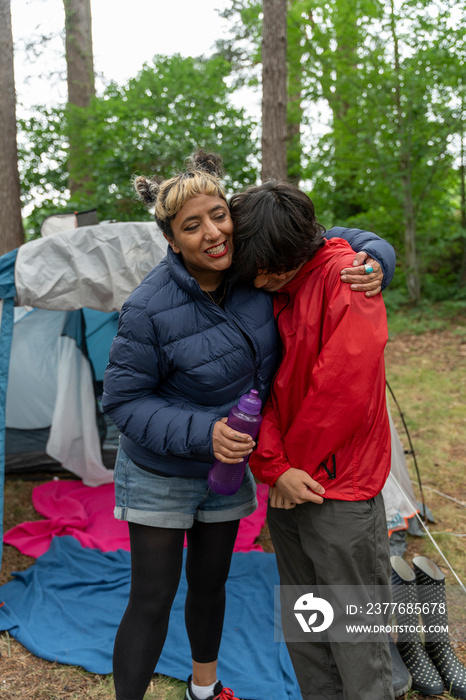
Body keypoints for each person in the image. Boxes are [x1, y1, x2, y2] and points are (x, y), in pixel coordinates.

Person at [102, 152, 395, 700]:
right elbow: (122, 400)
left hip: (247, 468)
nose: (213, 233)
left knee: (219, 586)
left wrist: (377, 256)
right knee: (155, 596)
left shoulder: (257, 269)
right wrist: (218, 439)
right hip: (169, 468)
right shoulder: (150, 306)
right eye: (192, 225)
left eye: (219, 215)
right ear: (170, 239)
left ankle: (205, 689)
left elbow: (326, 238)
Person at [229, 180, 394, 700]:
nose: (253, 281)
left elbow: (343, 390)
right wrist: (275, 468)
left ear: (282, 260)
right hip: (289, 481)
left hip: (338, 486)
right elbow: (265, 387)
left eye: (259, 271)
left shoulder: (346, 279)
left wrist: (286, 468)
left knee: (357, 634)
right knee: (306, 621)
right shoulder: (277, 292)